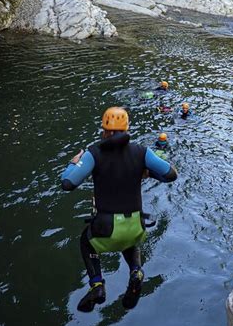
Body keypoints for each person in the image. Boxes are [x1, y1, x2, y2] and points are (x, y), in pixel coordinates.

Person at [61, 107, 177, 313]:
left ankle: (97, 285)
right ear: (127, 127)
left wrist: (73, 163)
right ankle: (136, 272)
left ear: (104, 129)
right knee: (130, 242)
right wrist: (148, 173)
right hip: (135, 226)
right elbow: (170, 175)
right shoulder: (141, 152)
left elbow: (68, 183)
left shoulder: (93, 153)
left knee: (86, 242)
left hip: (105, 228)